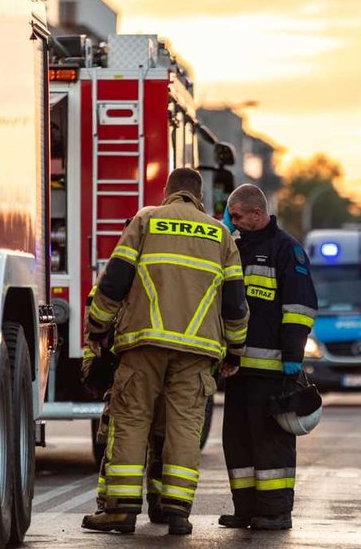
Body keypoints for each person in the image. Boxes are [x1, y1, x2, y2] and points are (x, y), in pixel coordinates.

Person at [81, 168, 249, 535]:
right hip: (198, 352)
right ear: (200, 197)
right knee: (185, 426)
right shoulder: (220, 235)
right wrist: (234, 351)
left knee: (132, 420)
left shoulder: (147, 220)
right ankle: (176, 511)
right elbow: (236, 304)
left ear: (167, 192)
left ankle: (120, 511)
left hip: (144, 345)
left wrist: (97, 327)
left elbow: (115, 280)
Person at [218, 184, 318, 531]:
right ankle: (245, 510)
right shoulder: (234, 248)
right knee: (238, 442)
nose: (234, 223)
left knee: (271, 445)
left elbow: (299, 309)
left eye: (238, 217)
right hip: (237, 369)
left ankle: (275, 512)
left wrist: (293, 357)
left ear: (257, 214)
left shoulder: (287, 251)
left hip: (274, 371)